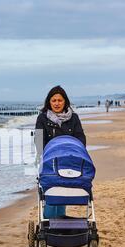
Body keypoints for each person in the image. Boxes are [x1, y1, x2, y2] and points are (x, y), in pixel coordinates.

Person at [35, 86, 86, 218]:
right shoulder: (42, 118)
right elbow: (39, 142)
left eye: (60, 100)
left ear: (65, 102)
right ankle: (49, 224)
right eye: (54, 100)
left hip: (70, 161)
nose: (57, 103)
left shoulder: (73, 118)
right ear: (49, 102)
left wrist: (76, 153)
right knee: (52, 193)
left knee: (63, 192)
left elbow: (80, 138)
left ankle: (59, 222)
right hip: (50, 162)